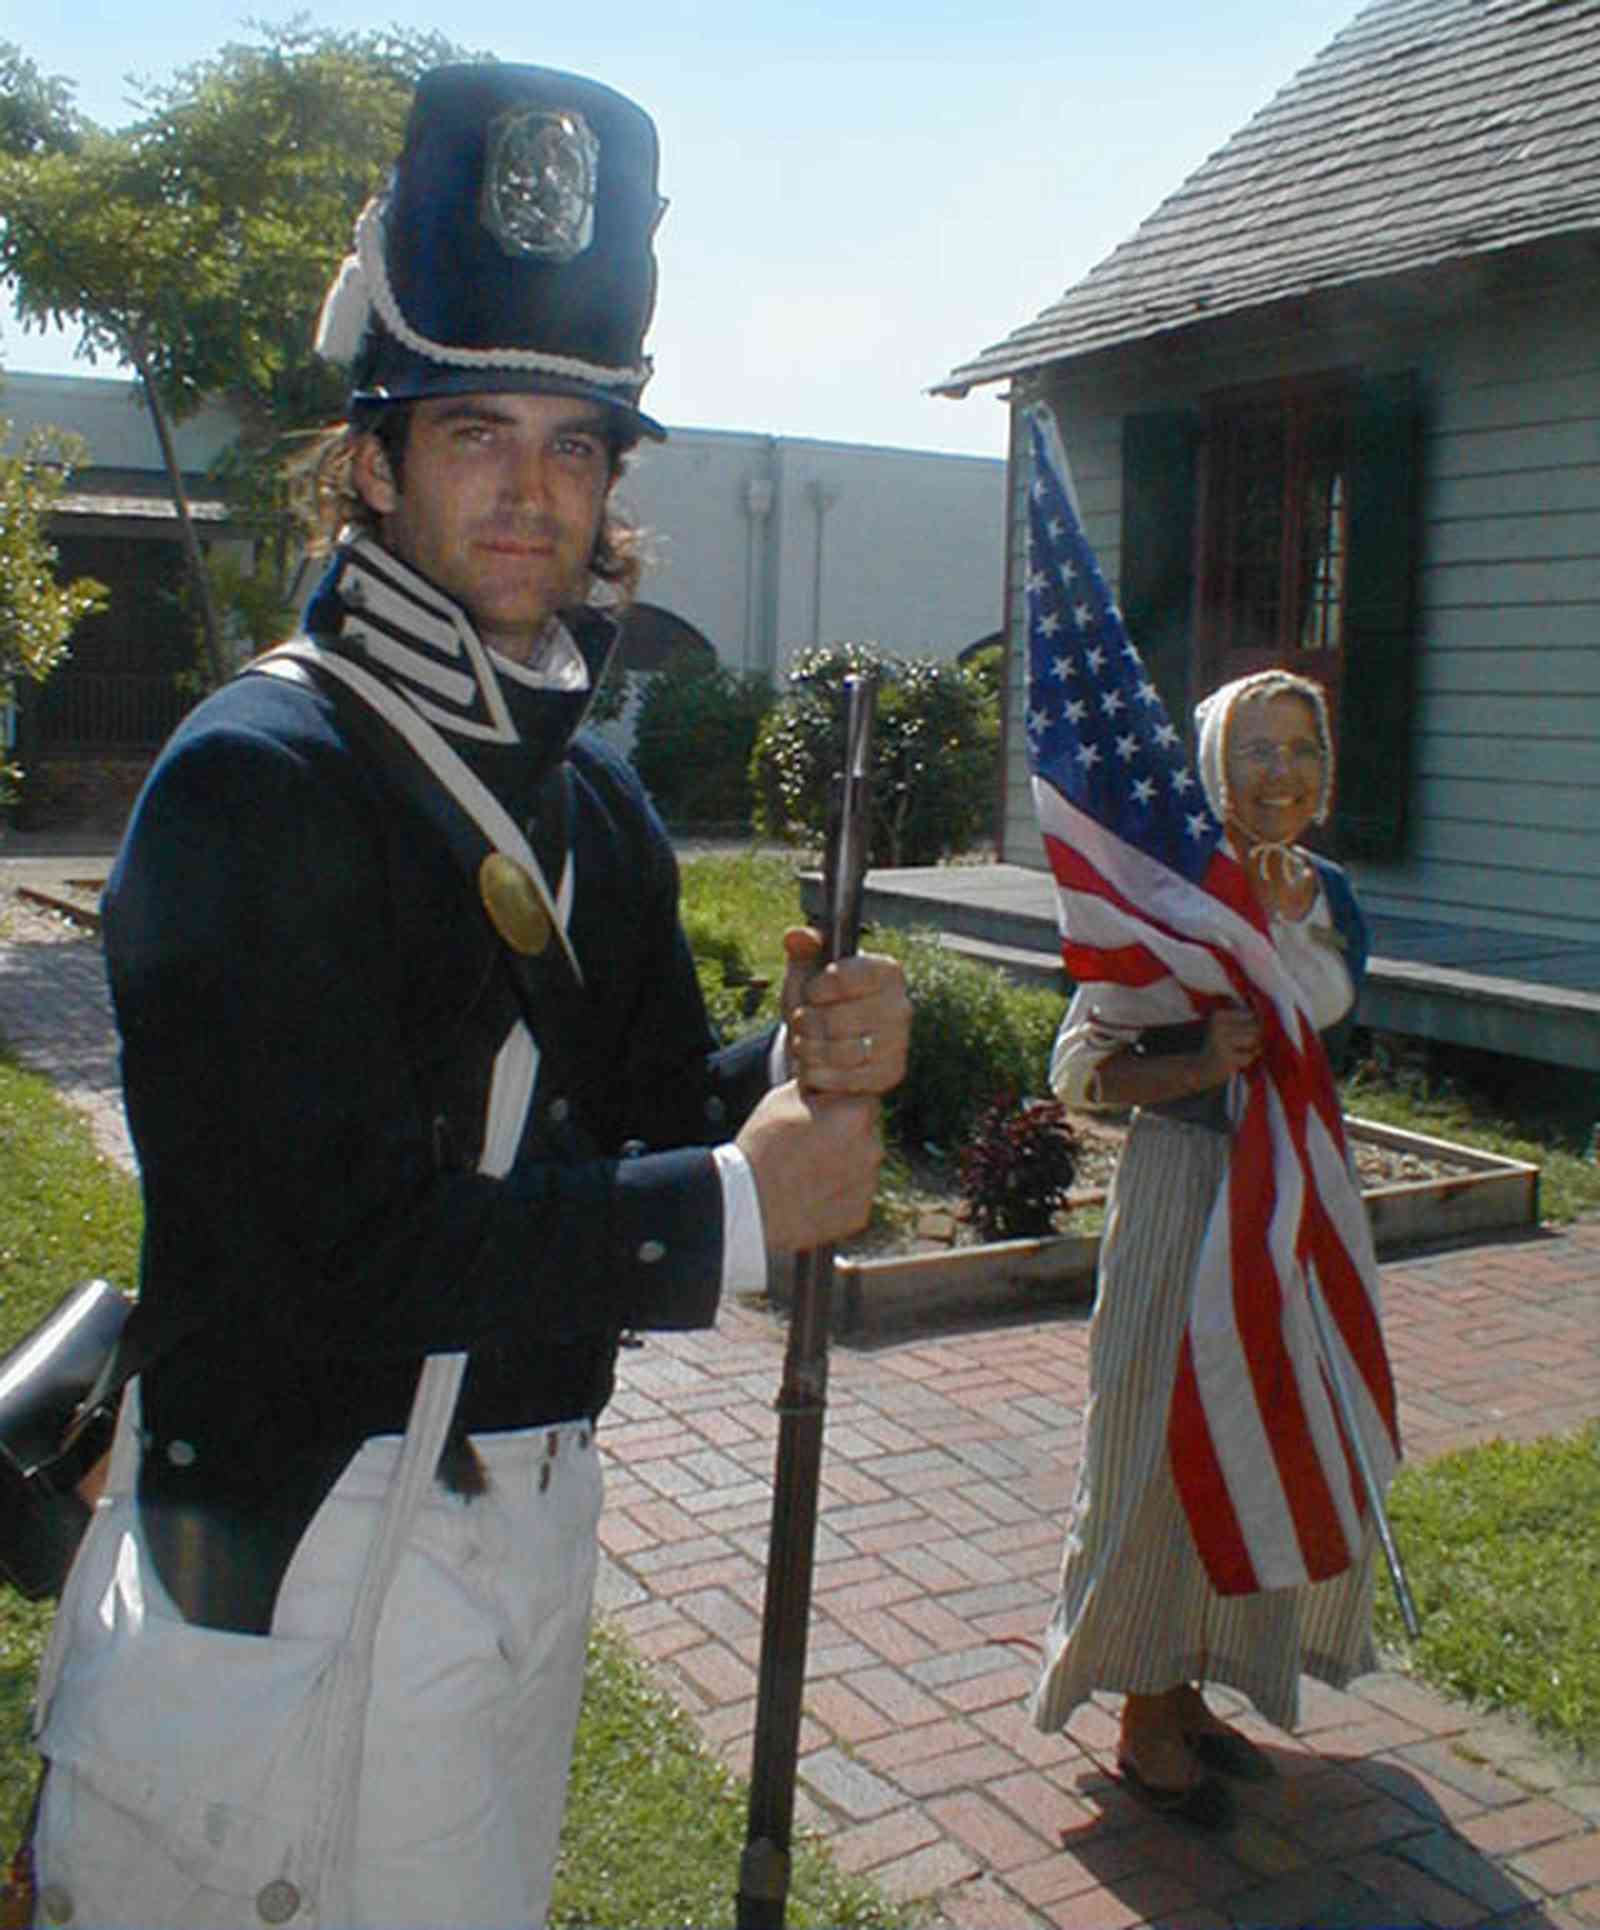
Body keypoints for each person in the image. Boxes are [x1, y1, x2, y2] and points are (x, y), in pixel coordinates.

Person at [28, 63, 910, 1930]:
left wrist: (798, 1067)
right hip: (288, 1569)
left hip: (518, 1549)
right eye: (476, 434)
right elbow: (333, 1252)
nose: (530, 491)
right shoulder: (253, 779)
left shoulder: (593, 798)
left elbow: (650, 1103)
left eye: (574, 446)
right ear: (373, 460)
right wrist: (746, 1205)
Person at [1030, 667, 1376, 1830]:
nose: (1278, 774)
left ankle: (1192, 1685)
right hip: (1187, 1190)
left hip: (1294, 1206)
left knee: (1259, 1435)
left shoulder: (1327, 896)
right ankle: (1138, 1697)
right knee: (1153, 1440)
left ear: (1325, 777)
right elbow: (1079, 1069)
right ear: (1211, 768)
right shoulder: (1167, 891)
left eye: (1300, 750)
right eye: (1254, 750)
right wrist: (1194, 1063)